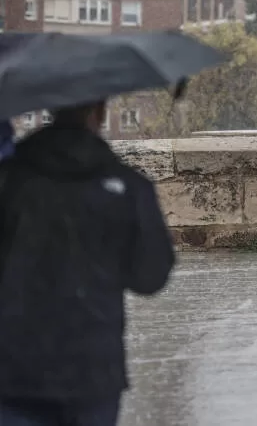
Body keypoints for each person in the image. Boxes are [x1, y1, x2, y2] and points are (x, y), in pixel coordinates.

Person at [0, 101, 176, 425]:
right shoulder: (129, 187)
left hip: (15, 367)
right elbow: (150, 277)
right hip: (93, 369)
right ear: (99, 112)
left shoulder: (9, 180)